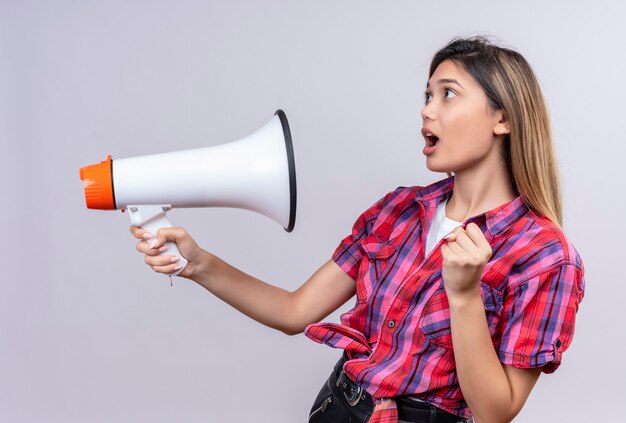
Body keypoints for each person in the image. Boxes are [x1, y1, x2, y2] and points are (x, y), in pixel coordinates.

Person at [130, 36, 586, 423]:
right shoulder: (399, 210)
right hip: (338, 407)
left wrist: (464, 295)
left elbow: (495, 412)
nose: (428, 111)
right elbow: (295, 310)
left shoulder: (546, 256)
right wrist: (200, 264)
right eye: (426, 96)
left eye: (448, 94)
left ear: (502, 118)